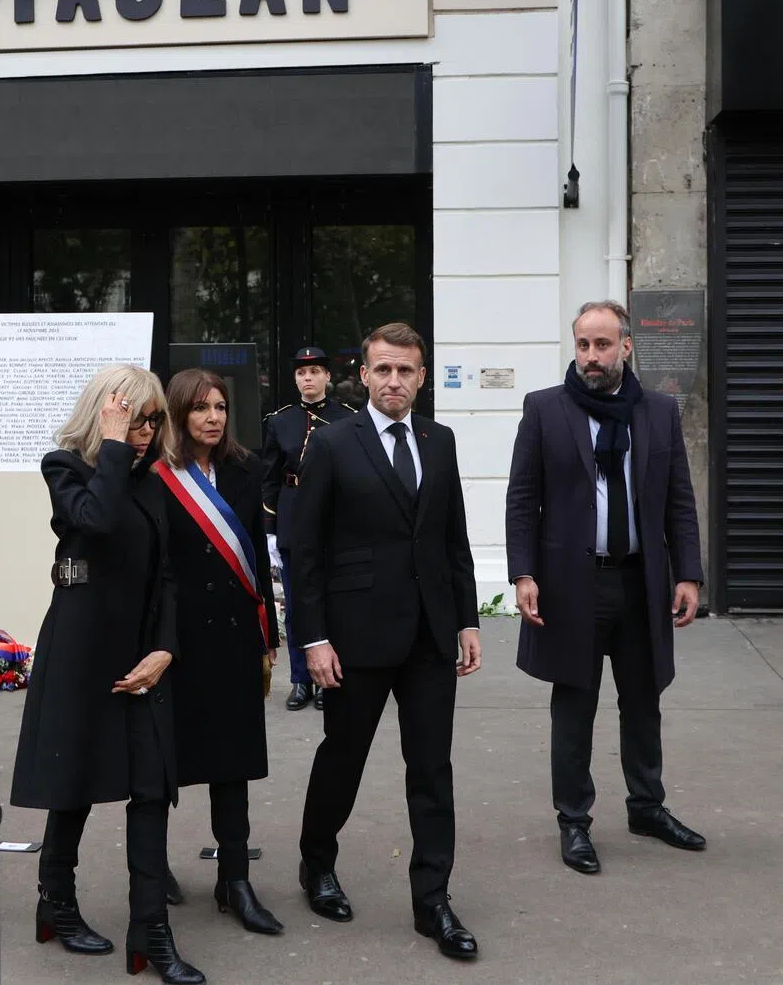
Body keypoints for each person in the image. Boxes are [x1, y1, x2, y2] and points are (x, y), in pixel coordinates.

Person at [291, 322, 482, 960]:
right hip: (354, 637)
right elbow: (304, 549)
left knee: (432, 770)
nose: (394, 381)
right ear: (364, 376)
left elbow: (452, 538)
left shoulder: (440, 439)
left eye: (406, 371)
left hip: (430, 635)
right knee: (342, 759)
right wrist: (313, 638)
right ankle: (317, 862)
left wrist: (467, 620)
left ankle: (434, 901)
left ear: (421, 377)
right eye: (383, 370)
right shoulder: (333, 443)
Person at [10, 365, 204, 985]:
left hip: (142, 653)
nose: (146, 433)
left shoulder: (154, 482)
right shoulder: (64, 466)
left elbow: (168, 576)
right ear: (102, 412)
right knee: (75, 780)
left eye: (153, 421)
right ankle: (55, 904)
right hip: (82, 646)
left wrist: (166, 649)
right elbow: (92, 522)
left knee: (152, 787)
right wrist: (116, 447)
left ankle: (150, 932)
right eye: (133, 418)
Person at [505, 300, 706, 876]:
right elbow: (522, 500)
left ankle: (647, 807)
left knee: (643, 701)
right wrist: (523, 574)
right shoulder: (546, 409)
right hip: (573, 586)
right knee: (574, 706)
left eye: (602, 345)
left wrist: (688, 573)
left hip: (641, 581)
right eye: (583, 345)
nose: (591, 357)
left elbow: (678, 501)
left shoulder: (659, 411)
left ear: (626, 347)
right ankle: (574, 821)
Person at [156, 369, 283, 937]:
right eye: (201, 408)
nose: (213, 418)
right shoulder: (156, 474)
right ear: (179, 413)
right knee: (162, 762)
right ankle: (151, 867)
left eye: (221, 407)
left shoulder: (245, 469)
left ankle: (235, 879)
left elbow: (255, 551)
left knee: (232, 763)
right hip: (176, 640)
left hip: (234, 634)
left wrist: (269, 634)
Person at [260, 346, 357, 711]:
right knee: (298, 601)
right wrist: (269, 527)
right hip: (292, 513)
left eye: (315, 372)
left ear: (327, 377)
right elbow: (268, 478)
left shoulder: (347, 418)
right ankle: (302, 679)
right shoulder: (279, 421)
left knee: (334, 597)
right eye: (302, 373)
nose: (308, 379)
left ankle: (331, 674)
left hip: (333, 517)